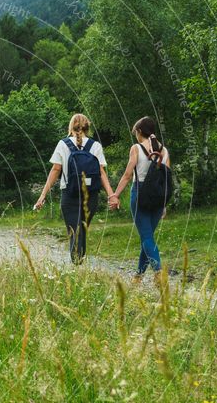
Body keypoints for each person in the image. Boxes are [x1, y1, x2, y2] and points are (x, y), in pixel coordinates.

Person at [34, 113, 118, 264]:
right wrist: (111, 195)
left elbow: (55, 170)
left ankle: (77, 261)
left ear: (71, 126)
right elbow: (101, 173)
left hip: (69, 194)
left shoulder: (63, 144)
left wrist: (42, 196)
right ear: (87, 127)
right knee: (82, 229)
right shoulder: (95, 146)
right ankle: (79, 260)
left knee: (74, 230)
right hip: (91, 195)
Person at [110, 116, 171, 282]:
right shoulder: (164, 151)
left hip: (140, 194)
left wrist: (115, 195)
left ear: (139, 132)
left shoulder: (136, 148)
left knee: (146, 237)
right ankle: (138, 276)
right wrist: (164, 204)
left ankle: (159, 273)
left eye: (135, 132)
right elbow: (166, 179)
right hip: (158, 197)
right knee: (148, 236)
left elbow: (128, 175)